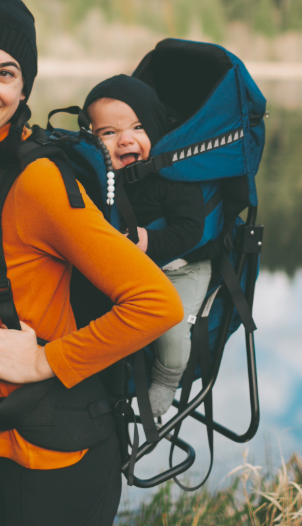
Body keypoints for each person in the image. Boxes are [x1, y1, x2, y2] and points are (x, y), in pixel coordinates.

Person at [0, 0, 183, 526]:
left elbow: (156, 303)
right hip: (9, 435)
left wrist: (42, 361)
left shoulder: (36, 182)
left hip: (64, 447)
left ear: (23, 89)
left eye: (5, 73)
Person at [84, 75, 215, 419]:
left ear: (155, 131)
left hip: (182, 268)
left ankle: (167, 376)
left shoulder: (172, 176)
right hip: (131, 272)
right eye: (108, 133)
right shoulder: (100, 180)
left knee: (169, 326)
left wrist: (149, 240)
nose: (125, 139)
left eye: (138, 127)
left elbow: (190, 231)